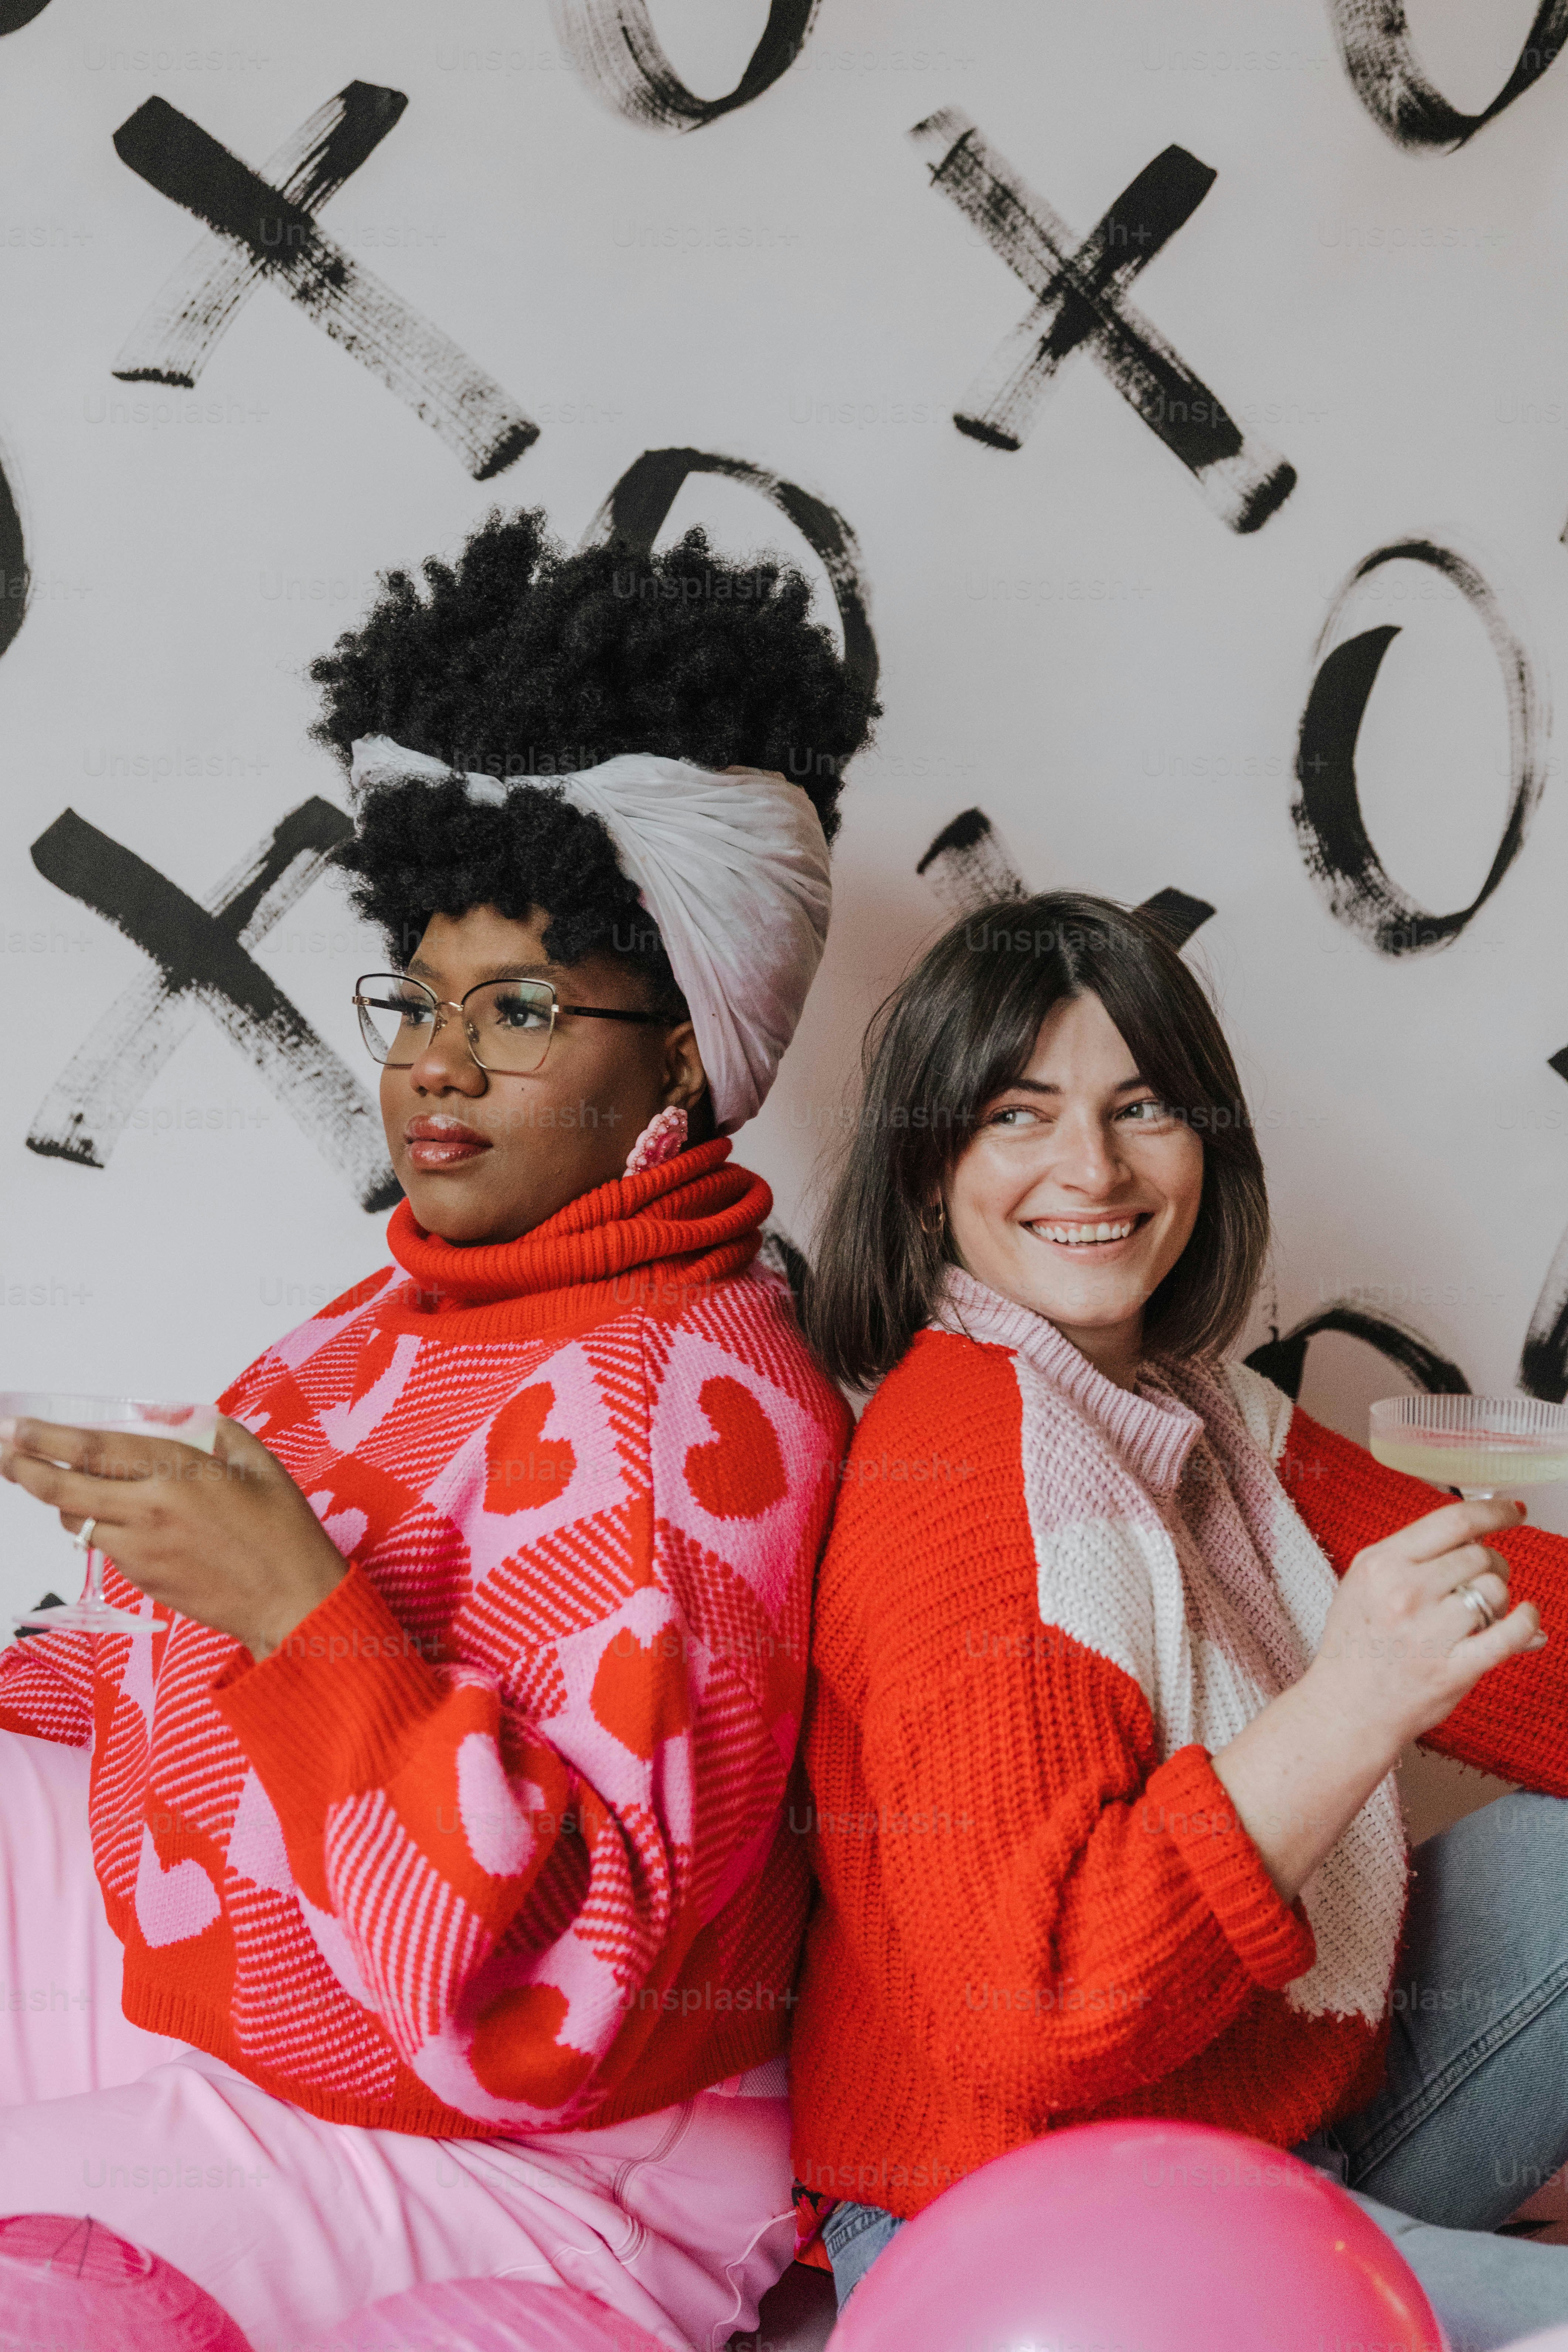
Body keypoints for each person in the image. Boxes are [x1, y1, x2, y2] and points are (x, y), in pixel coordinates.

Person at [0, 510, 871, 2352]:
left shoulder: (685, 1414)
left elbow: (570, 1985)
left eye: (522, 1008)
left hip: (535, 2154)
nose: (434, 1062)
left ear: (683, 1058)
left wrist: (293, 1606)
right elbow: (178, 1680)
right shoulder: (402, 1311)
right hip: (261, 1996)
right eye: (419, 997)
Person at [791, 888, 1568, 2352]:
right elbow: (1039, 2003)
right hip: (1024, 2216)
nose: (1091, 1167)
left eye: (1141, 1105)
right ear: (926, 1171)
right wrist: (1349, 1705)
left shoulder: (1190, 1407)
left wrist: (1412, 1655)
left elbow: (1523, 1626)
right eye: (1017, 1116)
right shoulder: (965, 1473)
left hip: (1252, 2115)